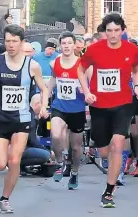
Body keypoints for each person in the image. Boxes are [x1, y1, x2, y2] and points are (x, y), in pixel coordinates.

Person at [0, 24, 49, 213]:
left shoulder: (32, 66)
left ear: (22, 42)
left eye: (14, 41)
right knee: (0, 164)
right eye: (7, 41)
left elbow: (44, 89)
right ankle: (10, 151)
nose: (10, 45)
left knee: (14, 161)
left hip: (22, 119)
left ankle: (5, 199)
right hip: (1, 119)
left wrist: (43, 106)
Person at [77, 12, 138, 208]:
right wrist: (87, 91)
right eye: (109, 31)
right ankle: (111, 166)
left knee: (117, 145)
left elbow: (137, 68)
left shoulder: (131, 49)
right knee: (104, 151)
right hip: (99, 105)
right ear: (104, 32)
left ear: (122, 31)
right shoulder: (94, 49)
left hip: (123, 104)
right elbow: (80, 69)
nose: (113, 35)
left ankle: (109, 190)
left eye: (116, 30)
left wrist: (137, 87)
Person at [47, 31, 88, 190]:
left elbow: (88, 87)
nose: (66, 46)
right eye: (63, 43)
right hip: (59, 106)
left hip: (77, 109)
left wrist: (84, 90)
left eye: (69, 43)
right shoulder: (55, 62)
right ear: (60, 45)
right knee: (56, 134)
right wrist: (46, 94)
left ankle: (75, 172)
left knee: (76, 147)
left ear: (74, 45)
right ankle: (59, 162)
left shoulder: (81, 64)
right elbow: (53, 80)